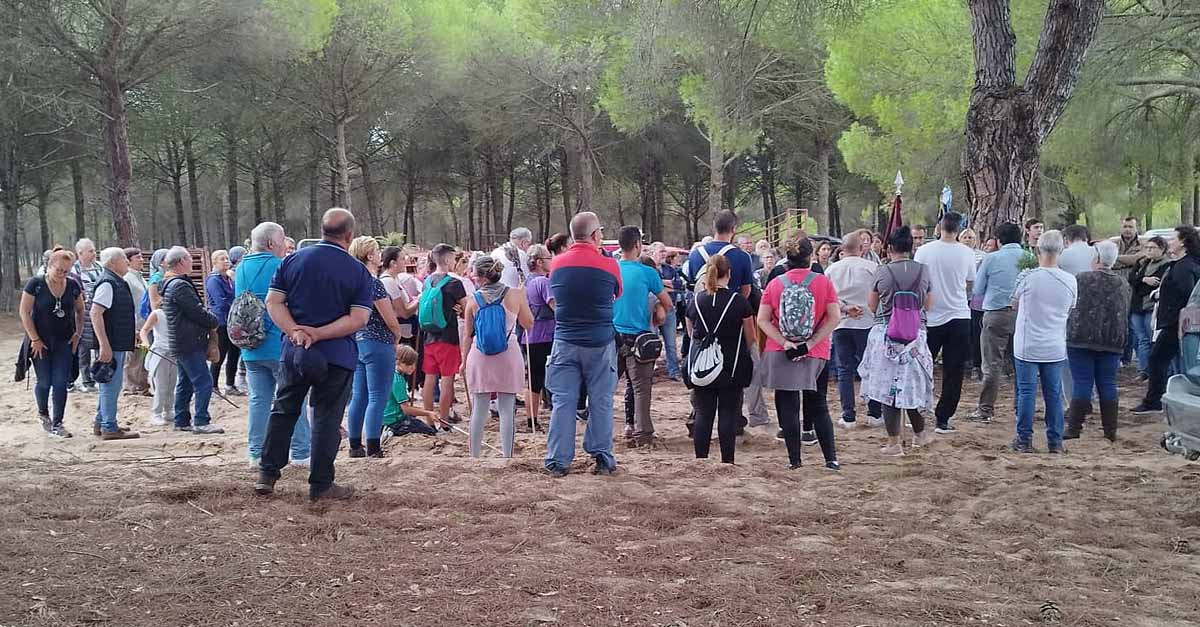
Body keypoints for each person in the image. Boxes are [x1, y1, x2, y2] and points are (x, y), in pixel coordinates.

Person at [254, 208, 375, 502]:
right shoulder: (357, 271)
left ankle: (267, 474)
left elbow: (273, 302)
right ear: (349, 234)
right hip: (336, 355)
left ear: (321, 230)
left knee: (283, 410)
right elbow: (358, 318)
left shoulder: (293, 260)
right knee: (326, 418)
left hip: (295, 351)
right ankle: (321, 485)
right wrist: (320, 333)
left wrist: (295, 331)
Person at [544, 211, 623, 478]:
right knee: (600, 401)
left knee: (563, 401)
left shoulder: (556, 263)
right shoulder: (609, 265)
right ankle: (601, 457)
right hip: (600, 342)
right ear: (594, 235)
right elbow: (617, 292)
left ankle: (558, 460)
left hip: (565, 340)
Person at [756, 234, 841, 471]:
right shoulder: (823, 282)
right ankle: (830, 459)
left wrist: (784, 342)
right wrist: (812, 343)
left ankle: (794, 460)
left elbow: (763, 320)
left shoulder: (775, 284)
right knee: (818, 405)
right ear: (810, 256)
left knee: (788, 405)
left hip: (781, 351)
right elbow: (835, 317)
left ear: (786, 258)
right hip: (816, 351)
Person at [236, 222, 310, 468]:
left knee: (258, 400)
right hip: (279, 343)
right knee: (292, 398)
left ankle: (256, 453)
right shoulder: (281, 266)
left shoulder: (241, 267)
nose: (285, 245)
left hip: (250, 344)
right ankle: (300, 452)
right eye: (282, 241)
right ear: (271, 243)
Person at [859, 226, 934, 456]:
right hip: (915, 336)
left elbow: (872, 306)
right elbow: (929, 305)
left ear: (889, 247)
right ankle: (920, 435)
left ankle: (893, 443)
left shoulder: (882, 272)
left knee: (887, 388)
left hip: (886, 335)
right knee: (911, 386)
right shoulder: (923, 271)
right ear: (911, 247)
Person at [1010, 230, 1077, 453]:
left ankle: (1024, 439)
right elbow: (1070, 308)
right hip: (1055, 344)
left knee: (1027, 392)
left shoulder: (1028, 277)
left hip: (1027, 344)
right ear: (1061, 250)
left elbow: (1015, 304)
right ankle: (1055, 442)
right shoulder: (1070, 280)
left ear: (1038, 250)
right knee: (1053, 394)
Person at [461, 256, 534, 458]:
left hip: (480, 354)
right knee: (507, 409)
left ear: (482, 277)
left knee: (479, 408)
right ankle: (507, 456)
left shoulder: (473, 300)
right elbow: (528, 324)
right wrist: (522, 298)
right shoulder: (515, 295)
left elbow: (468, 335)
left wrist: (463, 361)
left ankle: (474, 456)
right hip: (508, 353)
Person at [686, 254, 755, 463]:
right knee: (728, 413)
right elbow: (750, 337)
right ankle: (727, 461)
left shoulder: (697, 300)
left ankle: (701, 459)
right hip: (731, 365)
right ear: (730, 274)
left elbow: (691, 332)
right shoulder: (739, 302)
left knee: (703, 414)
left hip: (702, 366)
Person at [913, 212, 975, 433]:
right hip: (958, 314)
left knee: (921, 366)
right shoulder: (967, 253)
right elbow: (969, 281)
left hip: (931, 316)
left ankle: (916, 409)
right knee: (953, 370)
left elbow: (917, 279)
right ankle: (943, 417)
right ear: (959, 230)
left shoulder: (923, 251)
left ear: (939, 227)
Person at [343, 236, 405, 458]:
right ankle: (373, 446)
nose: (380, 255)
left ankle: (354, 445)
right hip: (378, 341)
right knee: (378, 395)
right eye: (377, 251)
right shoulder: (373, 283)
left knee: (359, 395)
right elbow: (389, 317)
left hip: (357, 341)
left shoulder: (350, 281)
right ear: (369, 255)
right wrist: (397, 334)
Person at [613, 226, 673, 446]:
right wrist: (659, 318)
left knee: (605, 388)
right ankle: (643, 435)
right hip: (639, 337)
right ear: (638, 245)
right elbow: (667, 303)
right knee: (641, 388)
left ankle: (599, 431)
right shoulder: (647, 272)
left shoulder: (612, 269)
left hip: (612, 335)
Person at [1065, 241, 1129, 442]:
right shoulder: (1124, 284)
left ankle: (1074, 428)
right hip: (1112, 341)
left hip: (1081, 339)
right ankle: (1110, 431)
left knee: (1082, 383)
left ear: (1097, 258)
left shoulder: (1081, 279)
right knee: (1108, 384)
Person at [1133, 226, 1200, 414]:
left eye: (1173, 239)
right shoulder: (1182, 264)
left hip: (1178, 324)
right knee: (1174, 362)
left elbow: (1188, 296)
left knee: (1158, 359)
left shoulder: (1185, 267)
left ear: (1183, 242)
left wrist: (1175, 316)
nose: (1169, 241)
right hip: (1177, 323)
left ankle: (1155, 400)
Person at [20, 249, 84, 438]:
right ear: (49, 266)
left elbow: (81, 310)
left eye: (66, 271)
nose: (62, 274)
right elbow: (24, 312)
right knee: (45, 381)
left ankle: (58, 422)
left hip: (64, 340)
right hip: (41, 341)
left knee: (60, 382)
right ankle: (43, 413)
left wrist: (77, 334)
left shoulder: (72, 285)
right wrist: (35, 339)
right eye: (59, 270)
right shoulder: (36, 284)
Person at [161, 246, 224, 436]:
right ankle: (201, 420)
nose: (192, 262)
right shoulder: (179, 285)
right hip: (189, 341)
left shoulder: (171, 284)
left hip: (181, 341)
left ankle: (181, 419)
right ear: (181, 262)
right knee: (203, 381)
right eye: (189, 259)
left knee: (186, 381)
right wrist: (214, 321)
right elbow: (196, 311)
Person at [968, 223, 1025, 422]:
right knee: (1021, 363)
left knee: (991, 364)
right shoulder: (1030, 259)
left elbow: (978, 289)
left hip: (995, 313)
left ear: (999, 240)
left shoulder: (991, 259)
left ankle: (985, 409)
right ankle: (1021, 407)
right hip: (1022, 315)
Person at [824, 232, 881, 428]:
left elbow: (827, 297)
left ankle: (849, 415)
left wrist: (844, 307)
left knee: (844, 370)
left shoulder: (831, 270)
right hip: (866, 322)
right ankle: (874, 413)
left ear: (842, 249)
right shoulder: (873, 268)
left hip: (841, 322)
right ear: (861, 248)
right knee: (871, 368)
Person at [89, 247, 140, 440]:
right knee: (111, 384)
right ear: (112, 262)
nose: (127, 262)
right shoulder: (108, 283)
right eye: (123, 259)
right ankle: (109, 426)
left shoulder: (115, 282)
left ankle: (101, 421)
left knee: (111, 383)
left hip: (117, 341)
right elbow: (96, 313)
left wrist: (131, 332)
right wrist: (104, 344)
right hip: (111, 343)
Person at [420, 244, 470, 427]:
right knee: (447, 380)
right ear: (448, 259)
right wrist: (460, 312)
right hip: (448, 338)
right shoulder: (454, 283)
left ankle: (429, 420)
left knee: (429, 379)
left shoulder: (427, 281)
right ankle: (444, 420)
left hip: (429, 337)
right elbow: (468, 310)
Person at [522, 244, 555, 431]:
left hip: (529, 336)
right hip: (545, 336)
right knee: (546, 379)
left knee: (532, 380)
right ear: (540, 262)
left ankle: (531, 420)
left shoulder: (526, 282)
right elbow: (556, 307)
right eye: (549, 258)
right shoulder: (543, 282)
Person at [685, 210, 754, 299]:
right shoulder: (743, 257)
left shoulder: (695, 255)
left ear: (714, 227)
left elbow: (691, 286)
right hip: (730, 309)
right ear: (733, 229)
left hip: (702, 309)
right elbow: (746, 290)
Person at [1128, 236, 1170, 379]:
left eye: (1152, 248)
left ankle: (1154, 370)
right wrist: (1144, 279)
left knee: (1152, 339)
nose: (1149, 251)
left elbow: (1156, 284)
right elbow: (1132, 279)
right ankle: (1143, 370)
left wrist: (1141, 283)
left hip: (1152, 307)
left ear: (1162, 249)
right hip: (1137, 306)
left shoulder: (1167, 265)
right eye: (1147, 248)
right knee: (1141, 339)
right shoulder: (1142, 262)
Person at [381, 345, 439, 439]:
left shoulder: (389, 373)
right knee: (429, 432)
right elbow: (406, 409)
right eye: (408, 365)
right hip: (393, 420)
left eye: (414, 364)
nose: (412, 368)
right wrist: (428, 413)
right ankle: (391, 431)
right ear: (397, 362)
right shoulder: (398, 380)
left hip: (385, 417)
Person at [206, 249, 243, 396]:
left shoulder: (229, 279)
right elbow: (221, 302)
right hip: (221, 322)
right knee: (219, 354)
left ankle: (230, 384)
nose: (226, 261)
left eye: (227, 258)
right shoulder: (213, 280)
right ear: (214, 262)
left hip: (233, 321)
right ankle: (213, 385)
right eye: (222, 259)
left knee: (234, 353)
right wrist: (235, 305)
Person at [73, 238, 103, 393]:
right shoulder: (74, 270)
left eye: (94, 250)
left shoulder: (99, 267)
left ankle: (100, 375)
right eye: (90, 251)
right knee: (84, 347)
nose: (94, 253)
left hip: (100, 311)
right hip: (83, 313)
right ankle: (86, 380)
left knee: (100, 343)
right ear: (80, 253)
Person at [140, 307, 176, 428]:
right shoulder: (157, 314)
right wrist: (146, 343)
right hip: (160, 351)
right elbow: (144, 330)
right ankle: (156, 412)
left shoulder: (178, 312)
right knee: (161, 385)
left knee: (172, 384)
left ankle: (169, 409)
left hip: (175, 352)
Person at [958, 228, 986, 380]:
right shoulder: (955, 254)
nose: (968, 239)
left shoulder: (982, 256)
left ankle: (976, 364)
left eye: (971, 237)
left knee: (975, 332)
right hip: (958, 298)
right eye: (965, 237)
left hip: (975, 300)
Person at [379, 247, 419, 349]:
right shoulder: (389, 282)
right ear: (393, 263)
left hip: (405, 332)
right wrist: (420, 299)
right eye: (402, 258)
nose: (405, 261)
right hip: (401, 335)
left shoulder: (394, 279)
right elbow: (404, 313)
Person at [655, 247, 683, 381]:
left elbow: (678, 285)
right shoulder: (647, 268)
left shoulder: (669, 269)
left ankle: (674, 371)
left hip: (669, 308)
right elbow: (651, 286)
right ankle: (651, 370)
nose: (663, 254)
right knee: (652, 341)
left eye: (664, 251)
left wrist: (662, 284)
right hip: (652, 310)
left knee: (671, 343)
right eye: (661, 251)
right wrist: (665, 284)